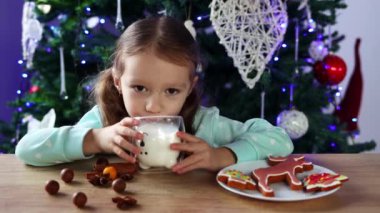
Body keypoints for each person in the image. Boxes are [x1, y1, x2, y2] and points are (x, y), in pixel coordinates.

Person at [16, 16, 293, 174]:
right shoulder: (106, 123)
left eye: (172, 91)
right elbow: (26, 149)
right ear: (117, 81)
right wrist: (95, 139)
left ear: (189, 87)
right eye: (139, 88)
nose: (153, 105)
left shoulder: (203, 125)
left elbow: (279, 140)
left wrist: (221, 156)